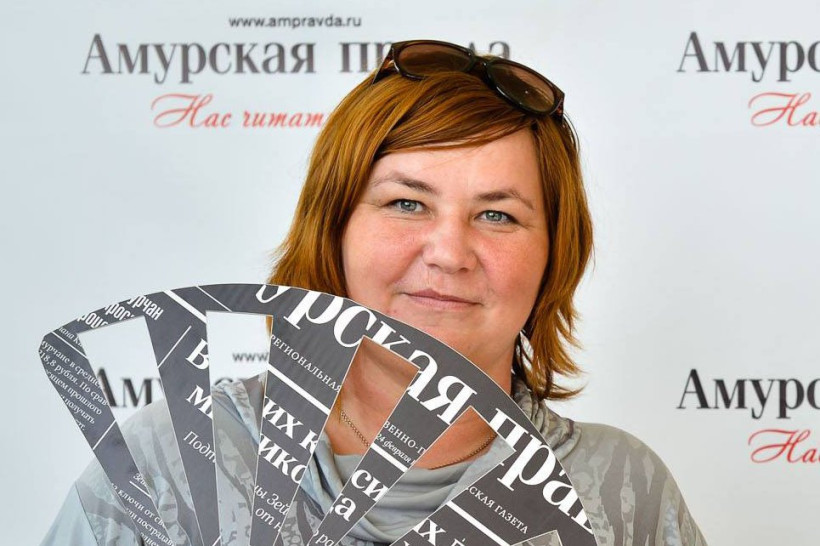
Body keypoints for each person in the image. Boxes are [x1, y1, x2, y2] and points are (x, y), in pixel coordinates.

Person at [43, 40, 707, 545]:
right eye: (407, 203)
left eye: (497, 214)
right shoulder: (170, 466)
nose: (449, 253)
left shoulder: (621, 492)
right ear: (333, 228)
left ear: (554, 255)